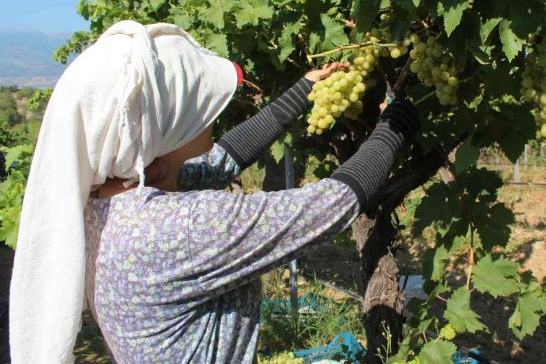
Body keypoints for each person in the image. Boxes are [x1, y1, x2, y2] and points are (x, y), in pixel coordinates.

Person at [9, 20, 419, 364]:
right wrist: (393, 126)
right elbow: (330, 205)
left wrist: (301, 91)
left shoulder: (111, 195)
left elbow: (223, 159)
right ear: (160, 134)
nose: (211, 113)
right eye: (197, 108)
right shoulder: (176, 229)